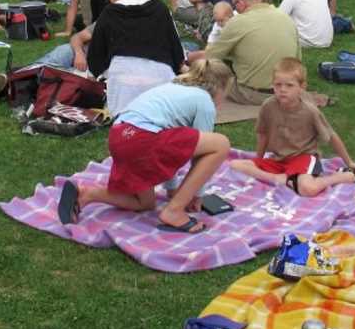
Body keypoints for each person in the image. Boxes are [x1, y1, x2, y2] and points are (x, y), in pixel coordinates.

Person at [57, 59, 232, 234]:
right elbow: (199, 155)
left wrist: (172, 190)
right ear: (219, 88)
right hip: (142, 140)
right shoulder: (204, 101)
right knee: (220, 144)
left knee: (145, 204)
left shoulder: (172, 88)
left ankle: (87, 194)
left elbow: (174, 148)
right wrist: (196, 195)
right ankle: (174, 212)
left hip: (120, 136)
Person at [230, 58, 355, 196]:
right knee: (235, 165)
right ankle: (280, 179)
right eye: (278, 85)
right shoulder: (268, 106)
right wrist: (259, 160)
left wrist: (350, 162)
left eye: (289, 85)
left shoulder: (309, 111)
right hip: (278, 160)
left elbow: (331, 136)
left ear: (302, 87)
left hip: (303, 158)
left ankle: (339, 177)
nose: (282, 90)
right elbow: (263, 134)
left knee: (308, 189)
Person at [88, 0, 185, 115]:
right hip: (161, 82)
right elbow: (176, 50)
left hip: (124, 89)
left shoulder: (109, 13)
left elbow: (96, 57)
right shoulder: (159, 7)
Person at [203, 0, 301, 105]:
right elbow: (298, 58)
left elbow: (211, 57)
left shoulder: (238, 22)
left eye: (235, 4)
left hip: (255, 94)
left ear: (241, 3)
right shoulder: (286, 18)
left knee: (213, 71)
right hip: (290, 89)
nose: (234, 9)